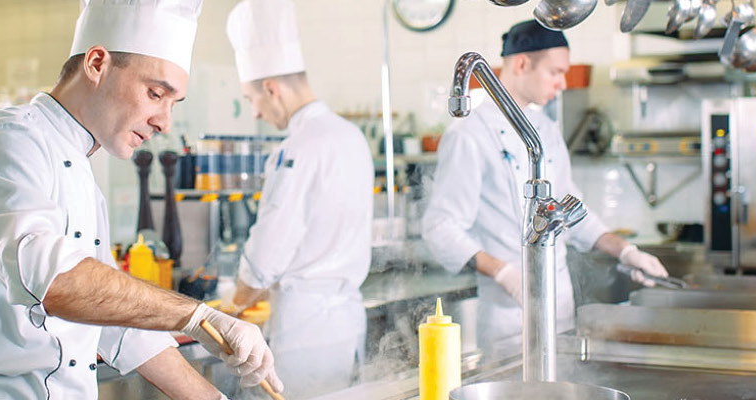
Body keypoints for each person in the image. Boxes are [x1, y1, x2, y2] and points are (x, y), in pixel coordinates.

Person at [0, 1, 282, 398]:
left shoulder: (80, 168)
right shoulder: (4, 140)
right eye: (155, 93)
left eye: (172, 104)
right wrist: (195, 316)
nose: (164, 121)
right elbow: (57, 282)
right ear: (96, 63)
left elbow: (117, 323)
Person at [420, 20, 671, 355]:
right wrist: (506, 274)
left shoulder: (545, 130)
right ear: (522, 64)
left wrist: (626, 252)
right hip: (510, 320)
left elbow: (573, 213)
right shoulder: (469, 133)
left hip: (561, 309)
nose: (563, 83)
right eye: (555, 72)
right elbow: (441, 228)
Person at [223, 0, 374, 397]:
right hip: (346, 322)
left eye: (251, 98)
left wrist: (233, 307)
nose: (255, 113)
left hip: (305, 330)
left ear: (271, 88)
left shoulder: (297, 148)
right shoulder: (350, 135)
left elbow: (268, 250)